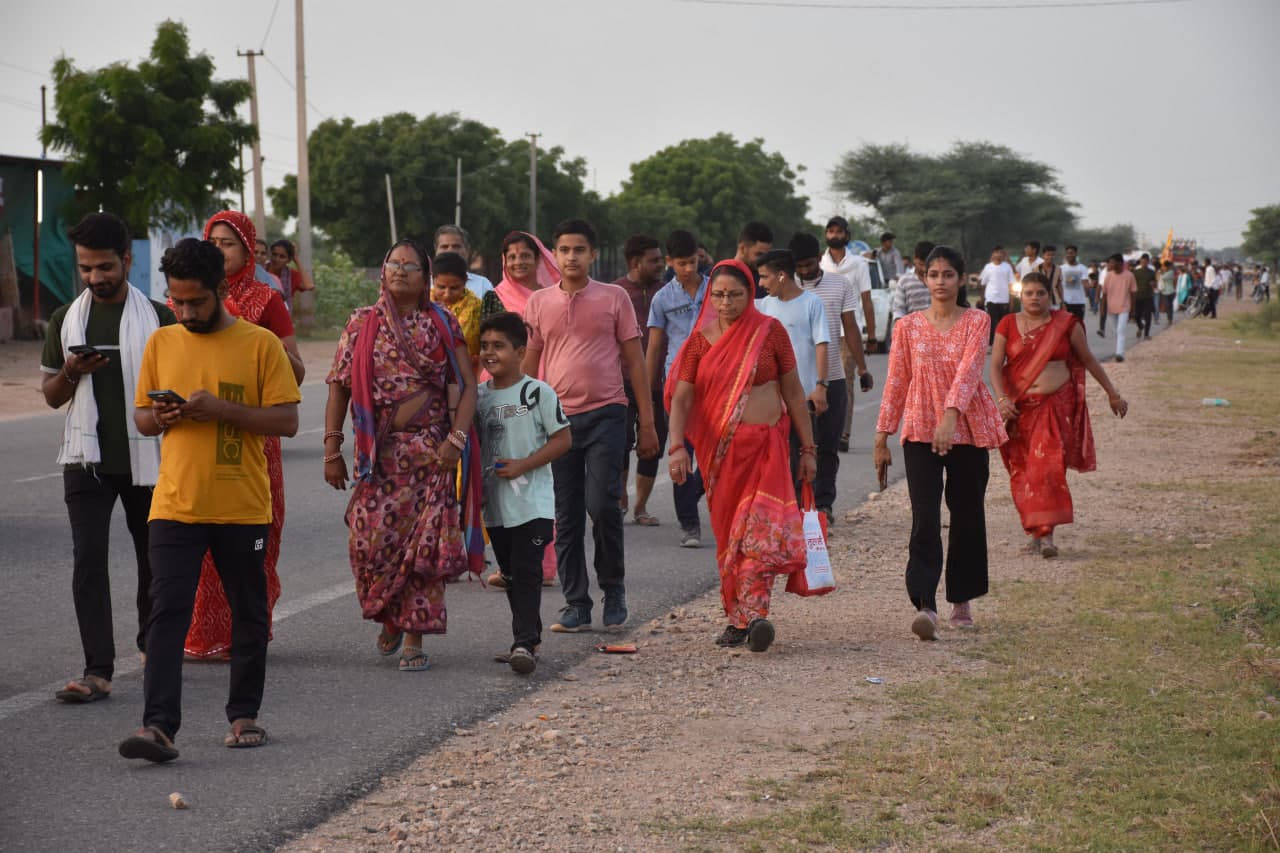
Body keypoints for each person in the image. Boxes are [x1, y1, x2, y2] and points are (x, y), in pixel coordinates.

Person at [118, 237, 300, 763]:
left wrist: (221, 409)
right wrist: (164, 417)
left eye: (196, 300)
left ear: (222, 289)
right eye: (178, 301)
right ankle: (158, 728)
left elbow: (286, 420)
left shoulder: (260, 345)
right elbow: (142, 418)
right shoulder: (163, 343)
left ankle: (244, 715)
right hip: (174, 503)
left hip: (242, 505)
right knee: (166, 614)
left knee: (249, 613)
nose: (187, 311)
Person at [323, 238, 480, 672]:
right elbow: (338, 386)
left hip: (432, 455)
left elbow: (468, 386)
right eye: (393, 263)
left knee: (425, 552)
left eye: (410, 266)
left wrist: (457, 440)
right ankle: (390, 611)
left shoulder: (443, 323)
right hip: (378, 457)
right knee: (368, 545)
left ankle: (414, 634)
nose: (399, 271)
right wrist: (331, 448)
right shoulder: (361, 324)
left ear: (425, 277)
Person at [42, 213, 176, 704]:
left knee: (153, 561)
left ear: (127, 260)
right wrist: (73, 370)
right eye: (85, 268)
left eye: (104, 267)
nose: (95, 278)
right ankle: (97, 670)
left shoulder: (161, 318)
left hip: (150, 460)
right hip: (86, 459)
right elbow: (53, 396)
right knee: (88, 563)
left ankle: (151, 647)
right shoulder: (65, 319)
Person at [666, 259, 815, 651]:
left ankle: (755, 615)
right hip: (723, 457)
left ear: (752, 294)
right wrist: (677, 446)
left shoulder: (770, 333)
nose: (726, 302)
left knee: (759, 537)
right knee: (729, 537)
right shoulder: (700, 342)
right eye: (718, 295)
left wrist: (809, 449)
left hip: (768, 450)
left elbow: (794, 392)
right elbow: (682, 396)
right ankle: (739, 617)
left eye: (734, 294)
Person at [523, 219, 658, 634]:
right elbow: (530, 361)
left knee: (602, 504)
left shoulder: (613, 298)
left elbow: (635, 361)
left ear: (593, 255)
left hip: (608, 413)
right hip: (557, 421)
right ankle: (576, 603)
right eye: (563, 250)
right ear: (555, 255)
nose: (571, 257)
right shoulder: (539, 302)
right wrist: (518, 415)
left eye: (579, 250)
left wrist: (648, 422)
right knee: (565, 514)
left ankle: (613, 589)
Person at [182, 211, 303, 662]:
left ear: (248, 251)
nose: (218, 251)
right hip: (199, 436)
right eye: (211, 241)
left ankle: (247, 632)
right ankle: (202, 635)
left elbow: (297, 370)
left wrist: (250, 336)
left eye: (228, 244)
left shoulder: (267, 299)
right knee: (201, 540)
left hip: (253, 434)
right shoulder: (188, 299)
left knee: (254, 537)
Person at [874, 246, 1007, 640]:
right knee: (925, 518)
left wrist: (950, 417)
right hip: (919, 429)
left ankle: (961, 599)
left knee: (967, 516)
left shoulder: (978, 320)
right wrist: (882, 436)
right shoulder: (908, 327)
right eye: (933, 274)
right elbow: (897, 381)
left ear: (961, 279)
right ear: (924, 279)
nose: (941, 282)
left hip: (967, 429)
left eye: (948, 274)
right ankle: (925, 605)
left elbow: (969, 372)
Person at [990, 272, 1128, 557]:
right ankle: (1034, 531)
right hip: (1019, 410)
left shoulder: (1065, 324)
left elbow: (1088, 359)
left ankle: (1047, 534)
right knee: (1023, 471)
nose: (1034, 298)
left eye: (1040, 293)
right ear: (1020, 295)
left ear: (1049, 294)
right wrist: (1002, 400)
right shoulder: (1006, 324)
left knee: (1048, 468)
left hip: (1056, 407)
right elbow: (994, 365)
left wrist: (1112, 394)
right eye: (1028, 293)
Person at [476, 312, 572, 674]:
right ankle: (526, 639)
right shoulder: (479, 397)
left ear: (520, 351)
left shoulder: (537, 392)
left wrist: (523, 465)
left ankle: (523, 642)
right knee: (512, 574)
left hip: (533, 505)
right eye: (484, 346)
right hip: (496, 508)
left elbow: (563, 439)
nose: (490, 353)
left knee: (529, 572)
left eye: (498, 346)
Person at [487, 230, 560, 588]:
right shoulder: (495, 298)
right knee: (502, 480)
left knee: (539, 479)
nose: (518, 262)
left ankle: (543, 564)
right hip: (501, 398)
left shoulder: (554, 297)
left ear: (539, 258)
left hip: (542, 395)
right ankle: (512, 564)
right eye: (511, 256)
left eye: (525, 255)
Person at [791, 231, 870, 522]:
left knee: (827, 446)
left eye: (808, 264)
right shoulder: (785, 288)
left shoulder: (840, 284)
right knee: (798, 445)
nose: (804, 271)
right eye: (798, 266)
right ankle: (799, 504)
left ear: (818, 259)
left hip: (834, 377)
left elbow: (850, 327)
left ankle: (824, 505)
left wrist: (862, 368)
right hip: (796, 382)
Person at [646, 229, 709, 547]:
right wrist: (648, 390)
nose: (688, 268)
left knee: (717, 456)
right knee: (681, 454)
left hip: (715, 385)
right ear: (670, 262)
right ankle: (689, 525)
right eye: (682, 263)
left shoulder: (716, 291)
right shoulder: (662, 299)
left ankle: (701, 491)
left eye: (693, 261)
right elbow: (655, 347)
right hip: (678, 386)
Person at [755, 249, 829, 497]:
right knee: (775, 458)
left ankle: (803, 512)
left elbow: (821, 344)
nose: (761, 283)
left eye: (765, 277)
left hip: (803, 397)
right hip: (771, 401)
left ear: (782, 276)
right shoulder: (763, 306)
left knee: (802, 457)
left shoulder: (811, 303)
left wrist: (820, 386)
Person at [614, 235, 667, 527]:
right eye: (654, 260)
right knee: (620, 442)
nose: (660, 265)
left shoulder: (668, 292)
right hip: (620, 381)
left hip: (658, 383)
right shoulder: (616, 293)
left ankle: (641, 507)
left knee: (653, 444)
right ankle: (620, 499)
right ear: (635, 262)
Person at [431, 250, 504, 368]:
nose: (447, 294)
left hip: (468, 371)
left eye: (454, 288)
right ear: (433, 280)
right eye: (441, 287)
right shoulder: (423, 304)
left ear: (465, 281)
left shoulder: (477, 308)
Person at [820, 216, 876, 351]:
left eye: (839, 231)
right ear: (826, 235)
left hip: (850, 332)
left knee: (847, 372)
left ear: (847, 235)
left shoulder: (859, 264)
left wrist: (871, 336)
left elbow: (866, 301)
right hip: (823, 332)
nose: (834, 235)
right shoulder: (819, 264)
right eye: (831, 231)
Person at [434, 225, 494, 299]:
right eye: (444, 246)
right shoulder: (425, 284)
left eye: (456, 246)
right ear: (436, 250)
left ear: (467, 251)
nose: (450, 251)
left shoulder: (483, 285)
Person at [1098, 254, 1137, 361]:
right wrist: (1102, 308)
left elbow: (1133, 293)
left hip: (1124, 307)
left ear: (1120, 263)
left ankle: (1119, 353)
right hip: (1111, 308)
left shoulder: (1129, 276)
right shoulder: (1108, 275)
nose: (1110, 264)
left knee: (1121, 330)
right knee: (1116, 331)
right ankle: (1119, 350)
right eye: (1109, 262)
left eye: (1112, 262)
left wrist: (1133, 310)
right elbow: (1104, 293)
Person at [979, 245, 1016, 345]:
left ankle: (1003, 343)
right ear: (993, 254)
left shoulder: (1007, 267)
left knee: (1003, 323)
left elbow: (1011, 284)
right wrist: (982, 298)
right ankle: (991, 344)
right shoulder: (988, 267)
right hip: (991, 298)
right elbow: (983, 283)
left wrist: (1011, 301)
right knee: (992, 322)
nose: (999, 254)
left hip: (1004, 299)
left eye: (1001, 252)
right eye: (997, 252)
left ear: (1003, 254)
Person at [890, 240, 934, 322]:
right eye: (921, 264)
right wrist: (901, 328)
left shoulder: (939, 281)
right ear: (915, 259)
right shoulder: (904, 281)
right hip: (913, 330)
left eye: (928, 265)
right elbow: (898, 309)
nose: (924, 269)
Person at [266, 239, 315, 312]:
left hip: (281, 316)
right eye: (274, 254)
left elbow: (309, 286)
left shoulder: (291, 275)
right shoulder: (261, 270)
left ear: (289, 260)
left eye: (282, 257)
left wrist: (296, 259)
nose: (277, 259)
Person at [735, 220, 773, 297]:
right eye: (759, 254)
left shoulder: (767, 280)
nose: (764, 260)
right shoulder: (718, 275)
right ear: (742, 249)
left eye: (766, 255)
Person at [1058, 245, 1089, 321]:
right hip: (1066, 303)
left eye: (1071, 253)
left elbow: (1086, 283)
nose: (1069, 255)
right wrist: (1061, 301)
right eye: (1067, 253)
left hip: (1079, 302)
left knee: (1078, 325)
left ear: (1076, 254)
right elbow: (1058, 285)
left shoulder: (1082, 268)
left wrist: (1087, 293)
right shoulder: (1061, 268)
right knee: (1066, 326)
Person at [1131, 254, 1156, 340]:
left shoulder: (1152, 273)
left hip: (1148, 296)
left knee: (1148, 316)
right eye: (1142, 262)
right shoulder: (1136, 272)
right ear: (1140, 262)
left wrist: (1153, 285)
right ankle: (1141, 326)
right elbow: (1132, 284)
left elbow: (1154, 284)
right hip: (1138, 297)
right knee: (1137, 316)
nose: (1144, 263)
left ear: (1148, 262)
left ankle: (1146, 334)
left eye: (1145, 262)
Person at [1157, 259, 1177, 325]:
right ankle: (1169, 319)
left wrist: (1160, 273)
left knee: (1169, 306)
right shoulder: (1165, 272)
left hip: (1170, 292)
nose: (1163, 268)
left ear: (1167, 266)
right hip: (1164, 291)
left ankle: (1170, 319)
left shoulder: (1171, 272)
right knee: (1168, 306)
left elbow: (1162, 278)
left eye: (1164, 266)